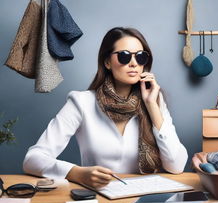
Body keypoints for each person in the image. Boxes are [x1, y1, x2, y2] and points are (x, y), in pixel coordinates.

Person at [23, 27, 188, 188]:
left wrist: (152, 105)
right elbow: (33, 159)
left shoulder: (154, 100)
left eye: (140, 57)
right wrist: (77, 173)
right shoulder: (81, 102)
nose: (133, 63)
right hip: (99, 196)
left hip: (147, 197)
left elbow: (176, 165)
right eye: (124, 56)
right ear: (107, 62)